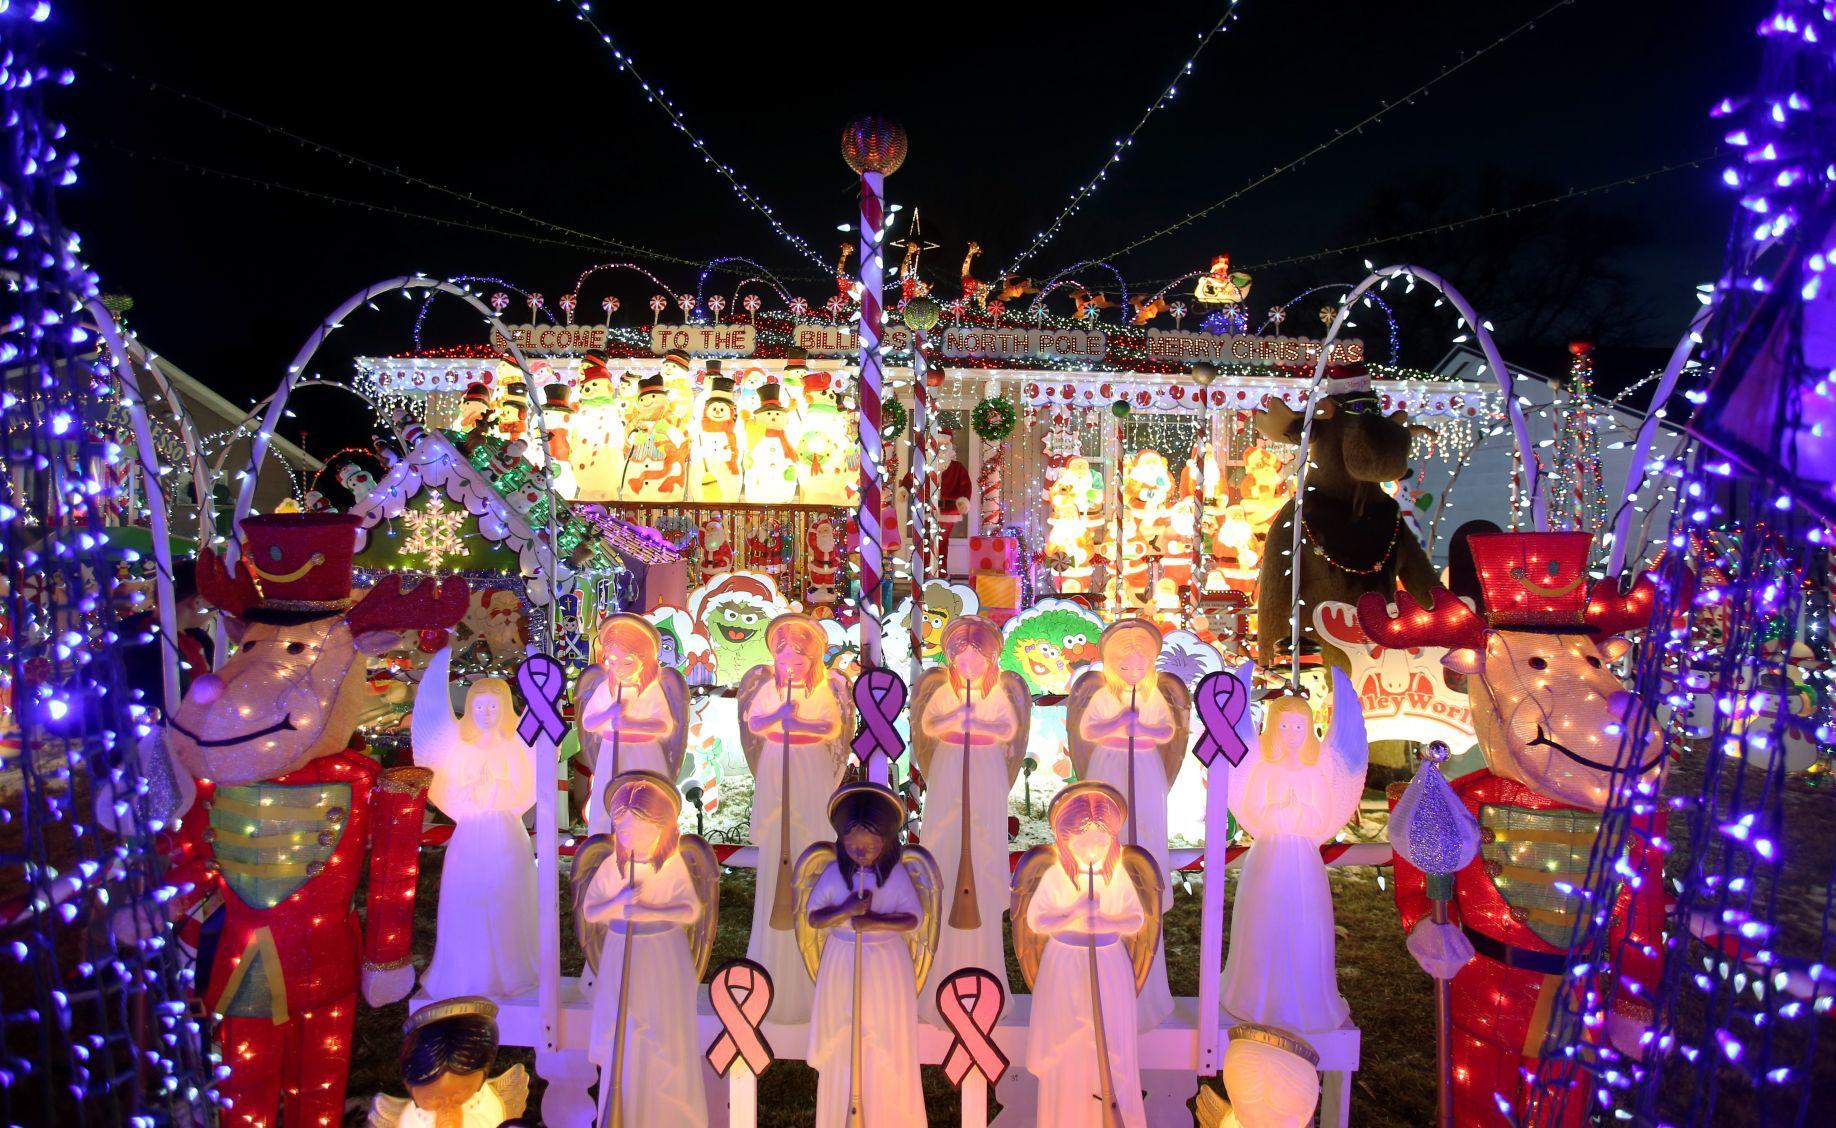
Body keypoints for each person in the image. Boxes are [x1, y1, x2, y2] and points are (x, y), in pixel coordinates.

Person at [1221, 673, 1367, 1035]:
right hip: (1268, 855)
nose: (1291, 732)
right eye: (1284, 725)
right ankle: (1253, 994)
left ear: (1310, 729)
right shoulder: (1263, 768)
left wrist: (1297, 812)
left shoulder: (1316, 773)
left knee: (1302, 922)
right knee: (1263, 918)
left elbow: (1320, 814)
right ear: (1272, 728)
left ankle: (1304, 998)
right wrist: (1278, 812)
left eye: (1298, 725)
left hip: (1302, 861)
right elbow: (1254, 807)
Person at [1067, 618, 1186, 1028]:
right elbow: (1088, 728)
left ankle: (1149, 986)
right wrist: (1122, 725)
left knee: (1145, 839)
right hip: (1110, 768)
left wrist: (1144, 727)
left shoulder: (1153, 695)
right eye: (1125, 665)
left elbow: (1167, 728)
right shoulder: (1102, 695)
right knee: (1107, 841)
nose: (1133, 673)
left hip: (1145, 773)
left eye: (1140, 666)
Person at [912, 616, 1029, 1025]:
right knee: (945, 841)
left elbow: (1008, 727)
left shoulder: (997, 691)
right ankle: (936, 974)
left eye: (976, 658)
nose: (969, 665)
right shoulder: (943, 691)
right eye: (961, 658)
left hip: (984, 771)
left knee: (981, 848)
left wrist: (968, 723)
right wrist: (960, 722)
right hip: (948, 773)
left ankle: (984, 972)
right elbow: (929, 725)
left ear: (990, 660)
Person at [577, 772, 708, 1128]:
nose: (630, 837)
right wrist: (618, 901)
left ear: (662, 828)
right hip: (622, 954)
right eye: (623, 830)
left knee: (659, 1033)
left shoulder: (672, 865)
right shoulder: (611, 867)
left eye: (639, 829)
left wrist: (653, 911)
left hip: (662, 957)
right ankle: (623, 1109)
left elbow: (691, 910)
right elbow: (590, 911)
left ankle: (666, 1113)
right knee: (626, 1027)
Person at [738, 614, 851, 1023]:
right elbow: (755, 721)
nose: (791, 664)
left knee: (809, 848)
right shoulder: (769, 688)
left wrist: (792, 723)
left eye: (799, 658)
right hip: (777, 771)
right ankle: (772, 956)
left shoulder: (823, 689)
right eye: (785, 657)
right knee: (776, 859)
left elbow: (830, 726)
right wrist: (778, 718)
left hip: (807, 772)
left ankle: (812, 960)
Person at [1021, 782, 1153, 1128]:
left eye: (1101, 840)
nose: (1093, 848)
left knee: (1107, 1043)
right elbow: (1036, 919)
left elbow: (1136, 917)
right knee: (1069, 1044)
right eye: (1084, 839)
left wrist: (1104, 919)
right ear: (1065, 839)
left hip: (1108, 964)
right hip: (1065, 966)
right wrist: (1074, 912)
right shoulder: (1055, 876)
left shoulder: (1117, 876)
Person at [412, 648, 539, 999]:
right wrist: (472, 792)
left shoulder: (515, 747)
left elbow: (520, 785)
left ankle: (512, 972)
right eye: (480, 707)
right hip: (469, 835)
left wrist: (495, 788)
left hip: (504, 834)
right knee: (466, 899)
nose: (486, 713)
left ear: (505, 710)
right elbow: (452, 787)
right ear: (470, 709)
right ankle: (464, 974)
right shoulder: (462, 750)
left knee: (505, 896)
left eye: (494, 707)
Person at [804, 784, 926, 1128]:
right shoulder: (834, 875)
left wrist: (875, 921)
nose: (861, 851)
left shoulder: (895, 877)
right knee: (845, 1032)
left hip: (885, 963)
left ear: (886, 842)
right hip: (843, 958)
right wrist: (844, 909)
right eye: (853, 843)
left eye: (871, 845)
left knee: (881, 1035)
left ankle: (887, 1111)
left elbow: (913, 918)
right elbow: (814, 917)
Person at [579, 615, 684, 836]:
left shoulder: (652, 689)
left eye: (627, 662)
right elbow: (588, 722)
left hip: (643, 755)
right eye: (612, 661)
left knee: (645, 800)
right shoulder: (606, 689)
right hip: (611, 752)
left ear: (644, 659)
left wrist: (631, 723)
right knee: (608, 797)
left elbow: (663, 725)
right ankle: (605, 839)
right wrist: (608, 713)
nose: (619, 669)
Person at [366, 997, 527, 1128]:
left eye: (459, 1093)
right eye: (433, 1098)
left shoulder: (486, 1106)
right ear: (410, 1087)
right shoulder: (413, 1120)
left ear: (480, 1079)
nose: (447, 1104)